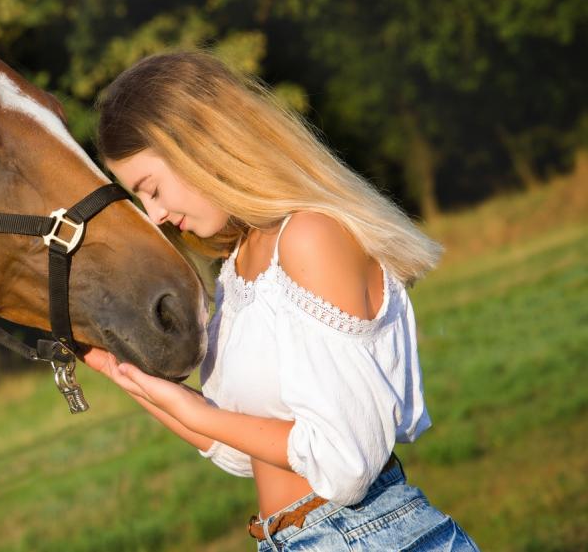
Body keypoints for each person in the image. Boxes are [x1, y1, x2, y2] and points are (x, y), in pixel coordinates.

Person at [84, 51, 479, 550]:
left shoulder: (309, 238)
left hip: (364, 537)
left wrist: (198, 414)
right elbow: (244, 454)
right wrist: (125, 375)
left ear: (201, 145)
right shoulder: (238, 263)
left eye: (152, 189)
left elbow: (346, 465)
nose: (155, 214)